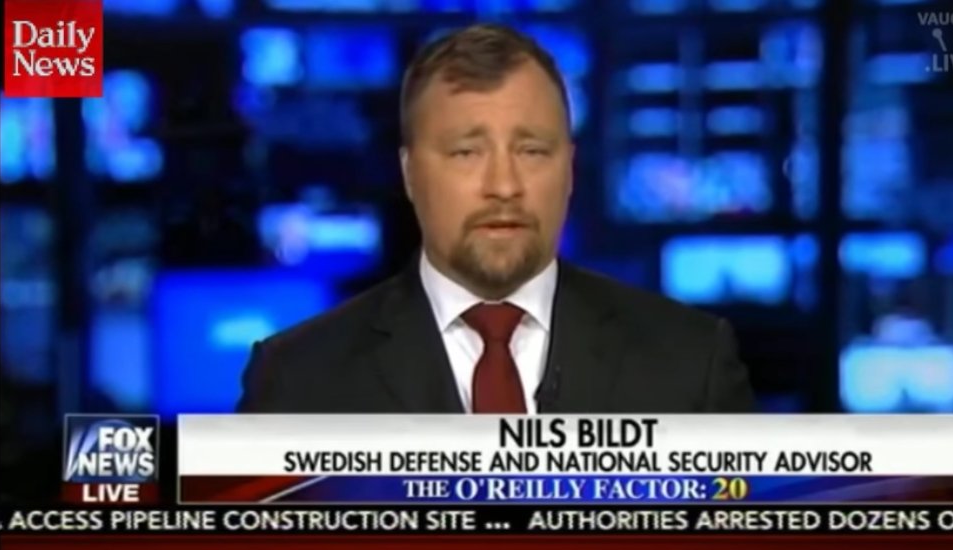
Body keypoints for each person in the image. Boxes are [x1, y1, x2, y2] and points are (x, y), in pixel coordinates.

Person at [238, 24, 755, 414]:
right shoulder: (296, 380)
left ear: (569, 170)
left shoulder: (693, 366)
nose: (504, 185)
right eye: (466, 153)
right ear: (410, 174)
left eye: (532, 151)